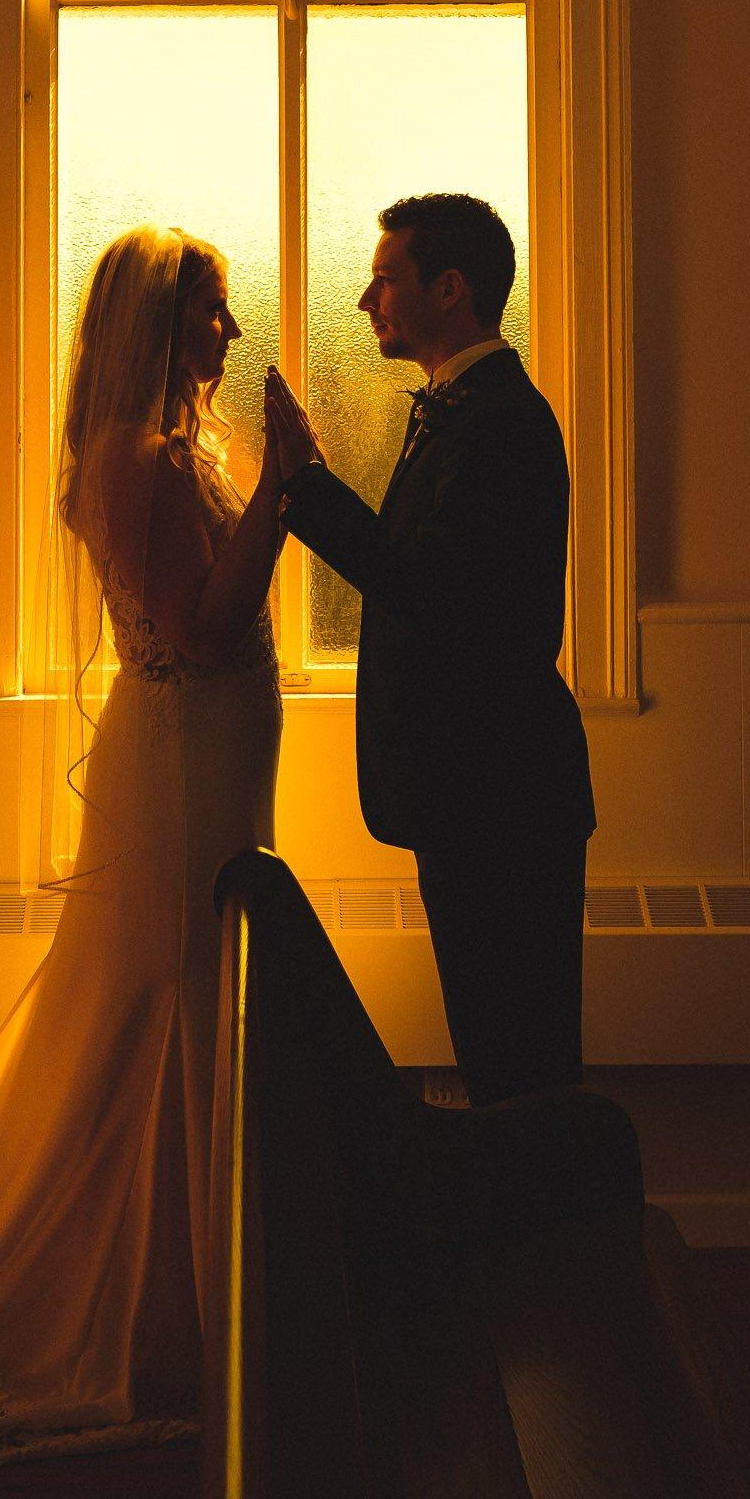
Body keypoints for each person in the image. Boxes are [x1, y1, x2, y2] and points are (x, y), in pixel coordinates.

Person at [0, 226, 284, 1456]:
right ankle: (160, 1315)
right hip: (177, 769)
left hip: (214, 761)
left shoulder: (174, 448)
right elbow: (203, 631)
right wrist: (278, 494)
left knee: (199, 1002)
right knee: (164, 1004)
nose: (231, 331)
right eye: (211, 311)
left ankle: (209, 1286)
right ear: (155, 323)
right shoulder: (130, 460)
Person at [265, 193, 594, 1107]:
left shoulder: (501, 423)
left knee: (518, 1060)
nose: (368, 301)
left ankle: (541, 1235)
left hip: (500, 790)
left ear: (450, 288)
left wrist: (308, 487)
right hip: (481, 789)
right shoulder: (468, 410)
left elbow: (433, 588)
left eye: (385, 279)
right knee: (499, 1048)